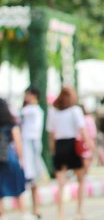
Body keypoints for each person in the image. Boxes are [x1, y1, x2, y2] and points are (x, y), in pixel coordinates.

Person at [47, 86, 88, 220]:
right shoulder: (75, 110)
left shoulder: (53, 112)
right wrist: (90, 146)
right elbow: (82, 130)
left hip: (59, 146)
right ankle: (79, 211)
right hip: (72, 145)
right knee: (81, 179)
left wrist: (53, 150)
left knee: (60, 183)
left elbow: (51, 134)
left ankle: (60, 213)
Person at [0, 98, 32, 219]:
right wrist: (21, 158)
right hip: (9, 156)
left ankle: (2, 215)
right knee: (18, 184)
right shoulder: (11, 124)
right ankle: (24, 213)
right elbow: (18, 141)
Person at [20, 86, 47, 218]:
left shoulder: (32, 111)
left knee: (32, 181)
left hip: (29, 149)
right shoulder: (29, 111)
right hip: (27, 149)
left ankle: (34, 209)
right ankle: (31, 210)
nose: (27, 97)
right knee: (30, 182)